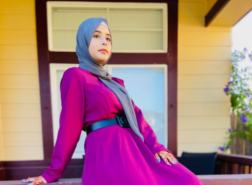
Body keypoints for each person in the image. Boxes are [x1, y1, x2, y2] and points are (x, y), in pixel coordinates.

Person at [21, 17, 203, 185]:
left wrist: (156, 147)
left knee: (189, 180)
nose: (104, 42)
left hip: (135, 149)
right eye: (96, 36)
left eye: (108, 38)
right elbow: (69, 127)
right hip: (108, 152)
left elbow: (138, 117)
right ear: (84, 41)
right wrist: (52, 172)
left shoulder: (114, 84)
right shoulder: (75, 76)